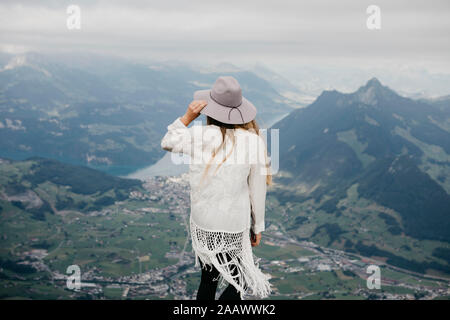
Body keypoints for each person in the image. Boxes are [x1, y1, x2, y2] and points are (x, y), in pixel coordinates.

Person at [161, 76, 272, 300]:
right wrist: (257, 226)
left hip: (204, 224)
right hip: (233, 224)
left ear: (210, 109)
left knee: (208, 280)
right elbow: (257, 189)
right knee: (240, 280)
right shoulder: (253, 141)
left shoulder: (199, 136)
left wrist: (187, 118)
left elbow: (167, 141)